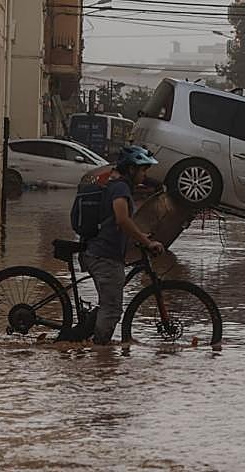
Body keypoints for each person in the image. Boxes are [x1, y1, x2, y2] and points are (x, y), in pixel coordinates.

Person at [79, 145, 164, 345]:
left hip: (101, 252)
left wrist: (140, 236)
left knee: (108, 304)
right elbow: (122, 219)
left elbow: (116, 222)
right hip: (104, 256)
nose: (144, 175)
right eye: (143, 170)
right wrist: (147, 242)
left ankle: (84, 337)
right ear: (132, 169)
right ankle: (99, 354)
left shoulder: (117, 184)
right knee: (112, 308)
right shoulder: (120, 187)